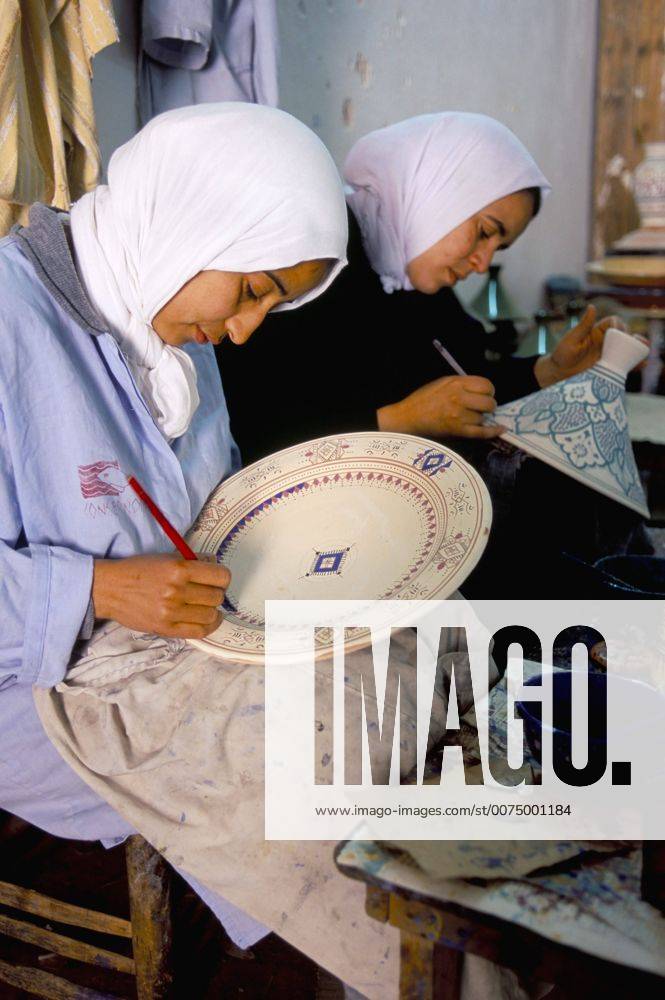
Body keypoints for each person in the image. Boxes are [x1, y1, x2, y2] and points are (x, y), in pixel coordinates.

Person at [219, 113, 644, 596]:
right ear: (442, 189)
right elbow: (252, 431)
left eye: (498, 245)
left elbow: (462, 382)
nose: (483, 261)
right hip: (310, 541)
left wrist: (547, 371)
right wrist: (399, 419)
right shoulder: (315, 267)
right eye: (484, 231)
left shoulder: (413, 277)